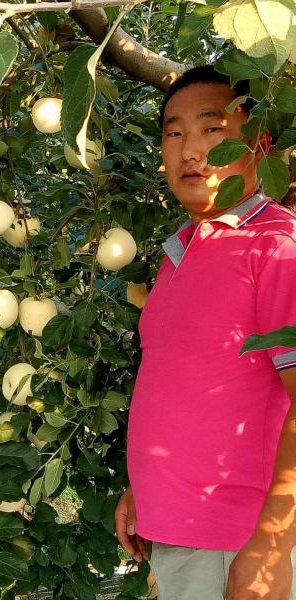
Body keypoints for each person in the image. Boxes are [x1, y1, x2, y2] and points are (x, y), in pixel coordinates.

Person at [115, 64, 296, 600]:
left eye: (212, 128)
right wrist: (144, 488)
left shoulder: (278, 248)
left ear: (259, 144)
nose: (191, 150)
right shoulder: (181, 251)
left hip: (239, 541)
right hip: (183, 537)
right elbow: (183, 388)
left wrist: (272, 545)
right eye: (174, 133)